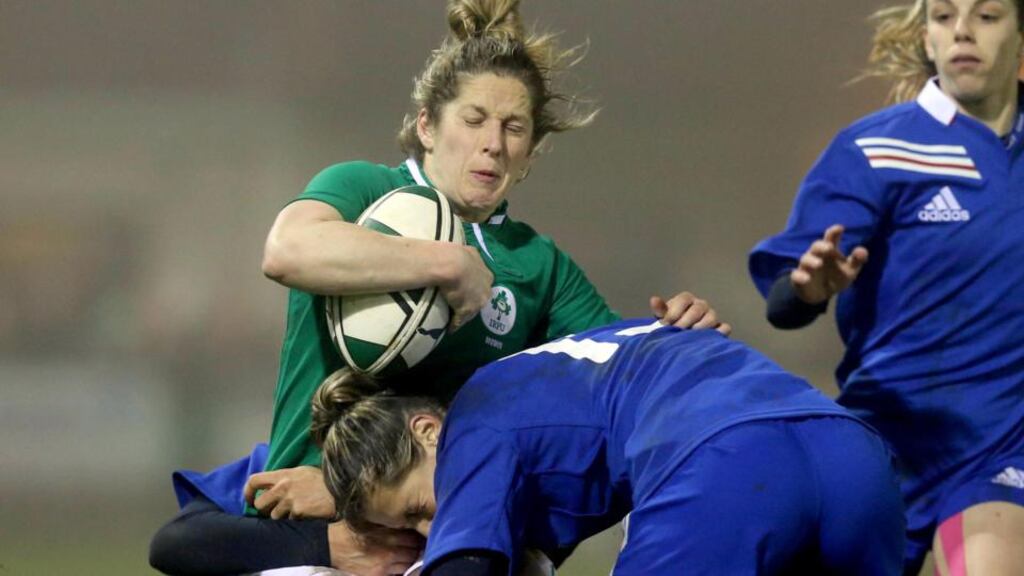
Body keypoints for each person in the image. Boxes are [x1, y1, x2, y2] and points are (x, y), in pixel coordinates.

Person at [151, 1, 727, 573]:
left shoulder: (537, 263)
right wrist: (441, 263)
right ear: (427, 125)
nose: (493, 144)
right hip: (310, 530)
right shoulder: (365, 191)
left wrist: (676, 337)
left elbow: (618, 384)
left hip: (444, 537)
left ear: (529, 152)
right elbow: (287, 251)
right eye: (473, 120)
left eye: (514, 127)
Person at [748, 0, 1024, 573]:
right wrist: (810, 289)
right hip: (883, 440)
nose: (963, 31)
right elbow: (783, 299)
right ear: (927, 40)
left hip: (998, 449)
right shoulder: (875, 149)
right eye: (945, 16)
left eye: (988, 15)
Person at [314, 319, 905, 576]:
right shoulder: (548, 374)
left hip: (725, 466)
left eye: (416, 510)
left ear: (426, 429)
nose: (425, 530)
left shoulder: (471, 423)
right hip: (851, 452)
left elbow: (466, 569)